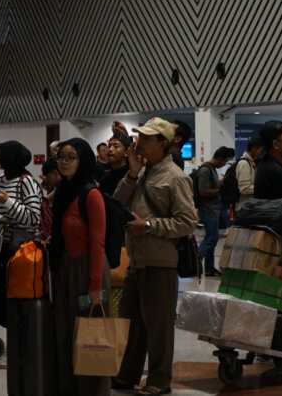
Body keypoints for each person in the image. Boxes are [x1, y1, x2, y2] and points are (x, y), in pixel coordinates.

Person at [112, 117, 198, 395]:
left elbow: (187, 222)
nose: (139, 143)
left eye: (147, 139)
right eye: (139, 137)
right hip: (136, 260)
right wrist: (131, 175)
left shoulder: (175, 177)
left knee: (158, 326)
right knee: (131, 323)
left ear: (164, 143)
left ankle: (160, 380)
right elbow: (117, 204)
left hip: (161, 262)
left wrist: (149, 225)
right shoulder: (140, 172)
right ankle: (126, 375)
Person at [49, 138, 110, 396]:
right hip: (65, 270)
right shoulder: (63, 191)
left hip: (88, 270)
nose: (64, 162)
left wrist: (95, 287)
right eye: (61, 157)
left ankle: (92, 391)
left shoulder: (91, 195)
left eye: (71, 157)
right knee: (65, 333)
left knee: (90, 335)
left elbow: (98, 243)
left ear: (83, 160)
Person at [0, 140, 43, 333]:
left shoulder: (27, 182)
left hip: (20, 251)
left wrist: (7, 202)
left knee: (16, 298)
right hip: (1, 249)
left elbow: (33, 219)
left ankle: (19, 338)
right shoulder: (1, 181)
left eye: (1, 156)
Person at [194, 146, 235, 277]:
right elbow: (203, 191)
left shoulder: (212, 169)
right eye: (225, 161)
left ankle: (209, 268)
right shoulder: (206, 170)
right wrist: (220, 190)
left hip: (212, 209)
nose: (224, 164)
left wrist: (221, 183)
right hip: (208, 209)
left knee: (211, 237)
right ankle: (195, 261)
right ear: (220, 158)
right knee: (212, 237)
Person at [236, 137, 264, 209]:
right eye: (260, 150)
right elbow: (244, 189)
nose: (261, 153)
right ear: (254, 148)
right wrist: (263, 188)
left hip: (249, 206)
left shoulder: (251, 162)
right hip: (245, 208)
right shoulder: (244, 163)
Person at [39, 158, 61, 244]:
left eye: (47, 177)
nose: (46, 180)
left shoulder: (62, 188)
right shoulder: (57, 187)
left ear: (55, 173)